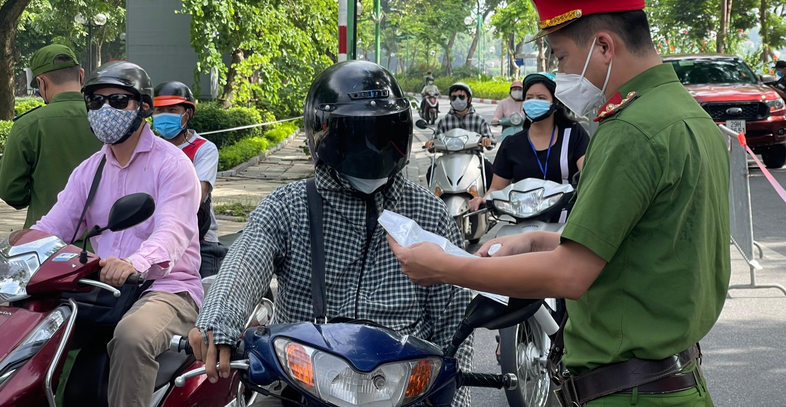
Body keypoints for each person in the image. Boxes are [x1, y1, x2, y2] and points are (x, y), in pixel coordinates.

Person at [390, 0, 729, 407]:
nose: (560, 73)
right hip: (674, 378)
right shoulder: (684, 115)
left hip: (627, 394)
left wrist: (445, 268)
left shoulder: (630, 131)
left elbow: (570, 274)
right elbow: (643, 245)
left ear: (604, 46)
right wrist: (536, 238)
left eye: (562, 57)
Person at [188, 61, 473, 407]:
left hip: (402, 388)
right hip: (301, 381)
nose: (372, 149)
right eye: (356, 135)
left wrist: (453, 392)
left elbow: (456, 319)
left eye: (383, 133)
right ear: (322, 133)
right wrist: (220, 322)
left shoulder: (429, 214)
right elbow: (245, 261)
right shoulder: (288, 206)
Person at [32, 61, 203, 407]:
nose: (105, 109)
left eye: (118, 101)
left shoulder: (173, 166)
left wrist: (133, 262)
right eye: (96, 101)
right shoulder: (90, 171)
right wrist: (15, 256)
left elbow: (172, 231)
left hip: (167, 290)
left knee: (132, 337)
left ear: (142, 106)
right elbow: (51, 228)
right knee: (30, 327)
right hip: (104, 291)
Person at [0, 44, 101, 228]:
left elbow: (10, 191)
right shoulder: (108, 119)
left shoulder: (27, 126)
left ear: (42, 83)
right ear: (81, 75)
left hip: (46, 242)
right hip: (102, 242)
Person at [469, 72, 589, 222]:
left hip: (566, 225)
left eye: (541, 98)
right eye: (529, 98)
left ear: (556, 103)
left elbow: (588, 175)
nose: (533, 102)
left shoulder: (572, 135)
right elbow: (496, 188)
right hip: (523, 227)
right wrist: (484, 199)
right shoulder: (512, 144)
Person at [152, 81, 225, 277]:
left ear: (188, 114)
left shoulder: (203, 149)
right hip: (154, 240)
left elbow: (197, 196)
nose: (164, 115)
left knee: (208, 302)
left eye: (173, 109)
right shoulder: (149, 148)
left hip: (200, 241)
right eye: (159, 110)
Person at [424, 82, 495, 186]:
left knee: (490, 171)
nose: (457, 100)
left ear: (469, 99)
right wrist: (430, 144)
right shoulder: (444, 121)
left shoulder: (479, 120)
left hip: (474, 160)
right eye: (454, 98)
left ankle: (487, 200)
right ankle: (435, 201)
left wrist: (487, 140)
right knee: (431, 172)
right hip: (448, 161)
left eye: (461, 97)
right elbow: (435, 140)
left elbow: (491, 141)